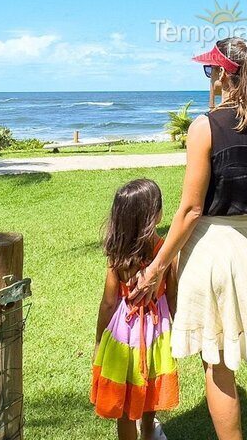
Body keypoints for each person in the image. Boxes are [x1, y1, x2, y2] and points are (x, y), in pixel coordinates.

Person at [130, 37, 247, 440]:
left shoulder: (204, 127)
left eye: (211, 70)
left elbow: (189, 210)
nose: (210, 77)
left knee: (218, 358)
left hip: (212, 247)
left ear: (224, 74)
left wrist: (155, 269)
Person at [91, 178, 179, 440]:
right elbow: (173, 298)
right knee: (149, 390)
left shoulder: (117, 254)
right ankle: (149, 433)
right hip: (156, 333)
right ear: (156, 214)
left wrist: (99, 340)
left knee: (126, 403)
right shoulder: (165, 252)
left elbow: (108, 302)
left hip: (123, 336)